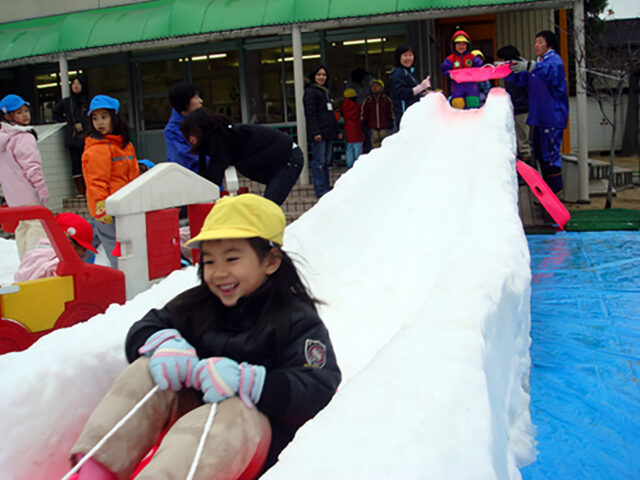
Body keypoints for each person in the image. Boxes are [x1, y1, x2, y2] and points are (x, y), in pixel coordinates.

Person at [68, 194, 341, 479]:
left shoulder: (295, 318)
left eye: (232, 258)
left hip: (253, 434)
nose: (219, 272)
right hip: (194, 414)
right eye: (209, 261)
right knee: (146, 370)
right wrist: (166, 344)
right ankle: (95, 470)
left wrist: (252, 383)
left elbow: (317, 387)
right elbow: (146, 327)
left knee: (235, 409)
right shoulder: (199, 304)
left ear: (271, 261)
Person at [180, 108, 304, 206]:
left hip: (289, 158)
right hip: (283, 159)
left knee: (267, 209)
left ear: (200, 130)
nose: (189, 139)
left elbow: (212, 179)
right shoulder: (221, 138)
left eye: (190, 134)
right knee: (267, 209)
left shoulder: (223, 140)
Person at [82, 95, 140, 268]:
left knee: (124, 244)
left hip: (124, 206)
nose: (99, 122)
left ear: (115, 117)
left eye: (104, 117)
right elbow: (96, 182)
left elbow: (134, 175)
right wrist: (101, 206)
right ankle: (123, 278)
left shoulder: (124, 145)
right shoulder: (97, 149)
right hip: (106, 210)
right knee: (115, 247)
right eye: (94, 118)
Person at [509, 30, 569, 194]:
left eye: (540, 42)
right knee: (541, 156)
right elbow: (524, 80)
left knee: (550, 158)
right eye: (536, 42)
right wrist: (508, 70)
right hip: (539, 117)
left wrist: (530, 66)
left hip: (551, 117)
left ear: (549, 44)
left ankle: (556, 200)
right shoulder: (538, 64)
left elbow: (548, 72)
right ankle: (546, 198)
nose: (536, 45)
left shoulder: (553, 61)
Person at [0, 94, 49, 260]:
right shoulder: (23, 137)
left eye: (26, 110)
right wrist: (41, 189)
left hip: (13, 197)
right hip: (28, 193)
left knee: (22, 228)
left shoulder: (3, 138)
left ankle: (24, 264)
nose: (25, 115)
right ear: (8, 116)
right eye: (19, 112)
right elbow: (32, 167)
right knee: (37, 227)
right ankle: (34, 264)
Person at [14, 212, 98, 282]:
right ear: (70, 244)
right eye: (83, 249)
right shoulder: (58, 265)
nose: (83, 255)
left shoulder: (34, 254)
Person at [303, 65, 340, 198]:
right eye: (319, 74)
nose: (321, 77)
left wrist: (336, 130)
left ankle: (325, 185)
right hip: (319, 133)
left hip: (328, 131)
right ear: (313, 76)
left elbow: (331, 114)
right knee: (318, 162)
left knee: (326, 162)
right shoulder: (311, 92)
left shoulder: (325, 92)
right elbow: (311, 114)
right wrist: (315, 132)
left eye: (324, 75)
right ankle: (320, 188)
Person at [53, 77, 90, 196]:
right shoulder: (66, 102)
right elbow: (55, 112)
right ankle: (80, 190)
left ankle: (89, 187)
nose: (76, 86)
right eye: (74, 84)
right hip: (73, 138)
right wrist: (67, 121)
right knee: (75, 163)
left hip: (86, 137)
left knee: (88, 162)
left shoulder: (88, 101)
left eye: (79, 83)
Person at [497, 45, 531, 163]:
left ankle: (527, 168)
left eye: (502, 59)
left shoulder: (520, 70)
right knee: (517, 140)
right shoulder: (510, 70)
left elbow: (527, 90)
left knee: (523, 141)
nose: (501, 62)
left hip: (522, 109)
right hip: (515, 108)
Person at [164, 81, 204, 172]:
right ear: (185, 101)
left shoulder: (202, 121)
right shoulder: (172, 130)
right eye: (196, 98)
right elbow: (182, 158)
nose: (201, 101)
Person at [388, 44, 430, 129]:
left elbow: (414, 93)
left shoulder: (409, 72)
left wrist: (425, 93)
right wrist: (421, 87)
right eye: (405, 55)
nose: (408, 58)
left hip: (413, 114)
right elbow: (401, 93)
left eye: (410, 55)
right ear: (399, 57)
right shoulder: (397, 72)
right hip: (404, 115)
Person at [441, 30, 483, 109]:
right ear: (454, 45)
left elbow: (479, 65)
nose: (461, 46)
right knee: (458, 107)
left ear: (467, 45)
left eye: (463, 44)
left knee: (473, 106)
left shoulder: (471, 57)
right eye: (458, 44)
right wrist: (450, 75)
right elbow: (444, 68)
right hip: (457, 87)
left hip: (471, 86)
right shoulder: (450, 59)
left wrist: (476, 72)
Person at [361, 78, 394, 149]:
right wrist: (364, 122)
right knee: (374, 143)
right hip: (373, 127)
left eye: (377, 86)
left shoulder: (386, 100)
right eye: (373, 86)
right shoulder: (368, 100)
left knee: (384, 143)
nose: (374, 88)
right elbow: (364, 112)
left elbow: (390, 111)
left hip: (383, 125)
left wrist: (390, 120)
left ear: (382, 87)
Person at [340, 88, 364, 168]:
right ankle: (358, 164)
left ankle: (349, 164)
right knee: (357, 148)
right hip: (356, 129)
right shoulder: (356, 106)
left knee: (349, 148)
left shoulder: (344, 106)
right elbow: (357, 116)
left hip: (348, 128)